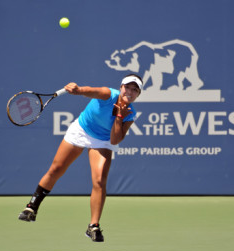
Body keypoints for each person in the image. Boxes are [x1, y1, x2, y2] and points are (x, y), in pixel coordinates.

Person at [18, 74, 143, 242]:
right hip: (82, 129)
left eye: (135, 90)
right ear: (121, 87)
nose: (130, 91)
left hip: (103, 140)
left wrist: (119, 117)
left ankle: (93, 226)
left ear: (138, 95)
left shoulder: (130, 114)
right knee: (56, 169)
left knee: (99, 181)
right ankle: (32, 207)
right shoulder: (108, 94)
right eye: (128, 87)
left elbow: (115, 140)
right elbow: (91, 91)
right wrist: (77, 90)